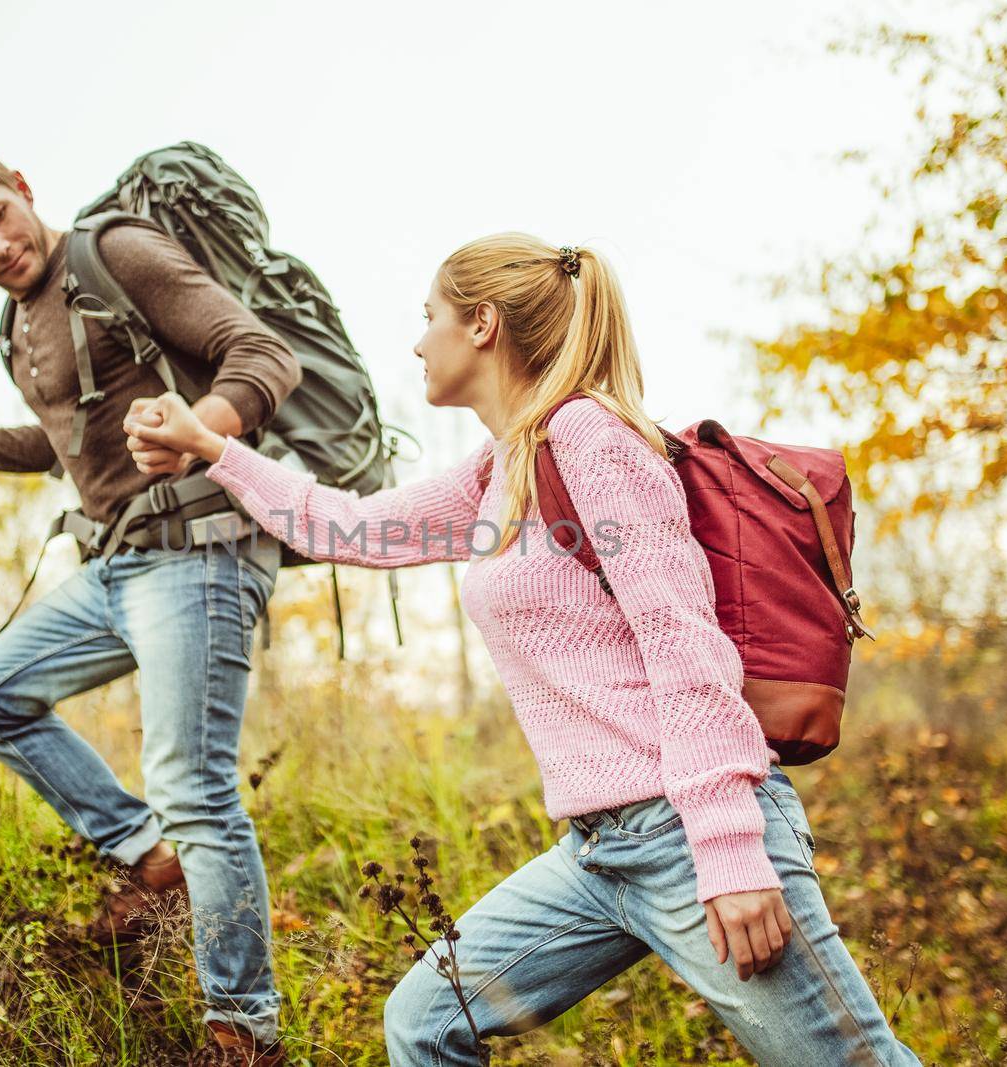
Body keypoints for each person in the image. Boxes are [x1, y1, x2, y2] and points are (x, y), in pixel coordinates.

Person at [122, 233, 926, 1065]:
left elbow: (684, 642)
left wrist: (728, 851)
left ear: (482, 325)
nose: (416, 340)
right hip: (597, 854)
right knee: (426, 1020)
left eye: (427, 316)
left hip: (689, 836)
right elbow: (349, 527)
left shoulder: (590, 439)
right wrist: (213, 448)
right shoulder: (500, 469)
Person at [0, 142, 300, 1066]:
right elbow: (61, 445)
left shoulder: (117, 254)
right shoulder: (17, 326)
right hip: (117, 563)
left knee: (196, 790)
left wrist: (207, 426)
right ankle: (147, 854)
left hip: (202, 551)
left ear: (23, 189)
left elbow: (263, 354)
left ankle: (246, 1031)